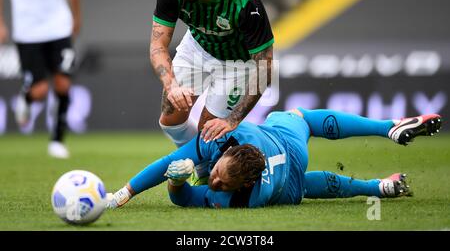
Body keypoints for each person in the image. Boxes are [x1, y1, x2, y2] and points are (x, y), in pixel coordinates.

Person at [106, 109, 442, 208]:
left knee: (309, 188)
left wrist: (176, 184)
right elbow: (170, 162)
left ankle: (374, 186)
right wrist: (128, 192)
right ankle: (388, 130)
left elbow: (185, 198)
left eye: (221, 180)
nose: (216, 180)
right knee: (301, 116)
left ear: (246, 184)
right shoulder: (224, 146)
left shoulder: (239, 199)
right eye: (219, 172)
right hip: (288, 144)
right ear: (226, 151)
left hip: (289, 178)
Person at [150, 0, 274, 181]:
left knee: (210, 130)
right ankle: (202, 165)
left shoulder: (245, 1)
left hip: (236, 64)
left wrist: (233, 119)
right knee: (169, 119)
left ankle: (205, 172)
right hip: (197, 47)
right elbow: (158, 44)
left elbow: (265, 66)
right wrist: (171, 85)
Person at [0, 0, 81, 158]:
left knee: (63, 84)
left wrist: (76, 17)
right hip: (28, 30)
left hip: (59, 26)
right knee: (40, 91)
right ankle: (26, 98)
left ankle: (57, 140)